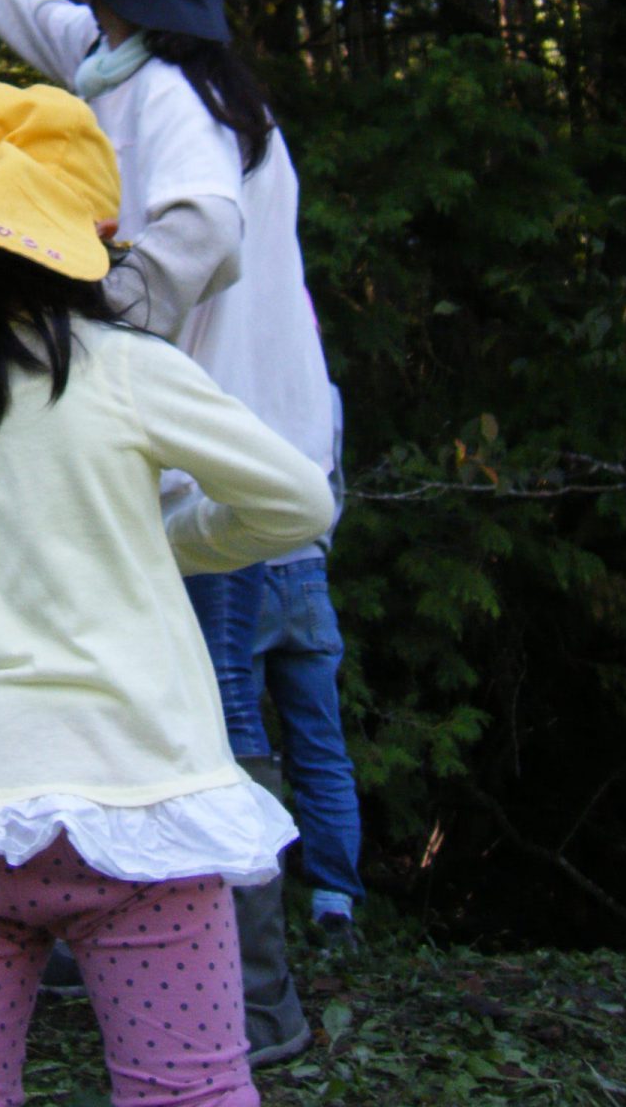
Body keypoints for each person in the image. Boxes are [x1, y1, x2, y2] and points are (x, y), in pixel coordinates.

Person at [0, 0, 335, 1064]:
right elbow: (27, 11)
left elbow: (202, 227)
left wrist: (90, 322)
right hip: (199, 448)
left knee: (212, 718)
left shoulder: (172, 98)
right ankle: (117, 929)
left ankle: (254, 1002)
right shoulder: (119, 59)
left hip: (216, 459)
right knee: (170, 698)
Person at [251, 385, 364, 949]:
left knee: (237, 742)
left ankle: (251, 905)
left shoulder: (228, 374)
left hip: (239, 573)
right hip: (308, 574)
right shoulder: (323, 391)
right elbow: (331, 482)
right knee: (322, 748)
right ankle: (333, 905)